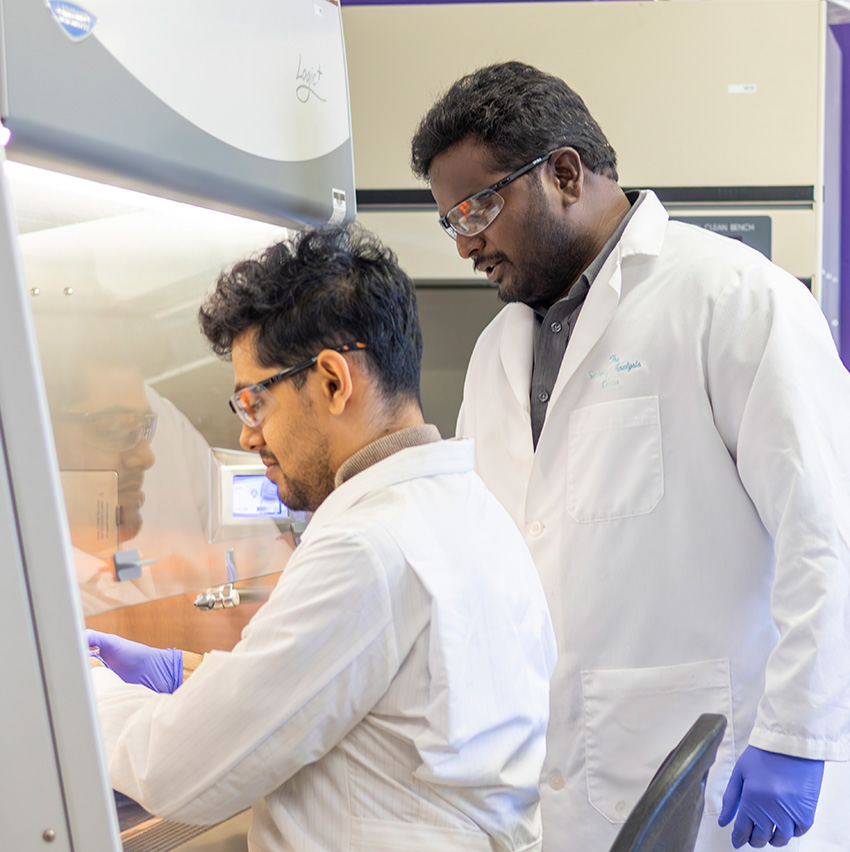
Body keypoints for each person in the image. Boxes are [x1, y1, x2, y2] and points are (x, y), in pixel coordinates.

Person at [410, 61, 850, 851]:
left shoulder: (732, 299)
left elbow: (829, 527)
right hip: (548, 782)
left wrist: (800, 735)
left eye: (476, 208)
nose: (466, 242)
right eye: (451, 221)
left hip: (720, 773)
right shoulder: (496, 351)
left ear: (565, 174)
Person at [86, 224, 557, 852]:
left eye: (254, 404)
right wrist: (191, 676)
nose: (249, 437)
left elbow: (176, 771)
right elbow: (382, 706)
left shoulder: (367, 546)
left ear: (333, 381)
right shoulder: (470, 510)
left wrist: (85, 692)